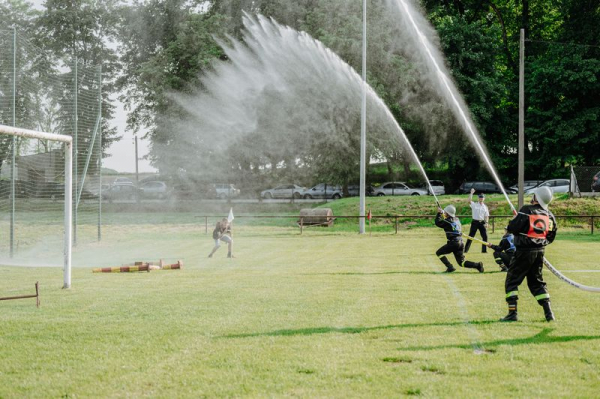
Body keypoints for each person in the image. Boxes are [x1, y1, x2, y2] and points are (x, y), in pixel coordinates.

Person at [501, 186, 557, 322]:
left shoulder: (526, 210)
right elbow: (551, 235)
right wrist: (538, 244)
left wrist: (513, 222)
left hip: (523, 252)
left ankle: (512, 313)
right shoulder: (549, 214)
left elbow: (513, 228)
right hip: (539, 252)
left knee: (512, 281)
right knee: (537, 282)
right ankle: (549, 314)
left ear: (536, 198)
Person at [435, 205, 484, 273]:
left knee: (439, 253)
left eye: (445, 212)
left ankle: (450, 267)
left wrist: (439, 213)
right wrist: (442, 212)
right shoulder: (456, 220)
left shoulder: (447, 222)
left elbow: (437, 223)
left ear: (447, 213)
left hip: (453, 243)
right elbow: (448, 218)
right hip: (460, 242)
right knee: (461, 263)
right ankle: (477, 265)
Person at [464, 188, 489, 253]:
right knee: (470, 237)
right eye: (480, 197)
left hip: (481, 222)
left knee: (485, 237)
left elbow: (486, 216)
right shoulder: (474, 204)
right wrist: (471, 193)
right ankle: (465, 250)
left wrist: (486, 223)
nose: (481, 198)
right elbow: (469, 201)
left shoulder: (485, 207)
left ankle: (484, 251)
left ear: (484, 198)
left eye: (482, 197)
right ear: (478, 198)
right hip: (475, 222)